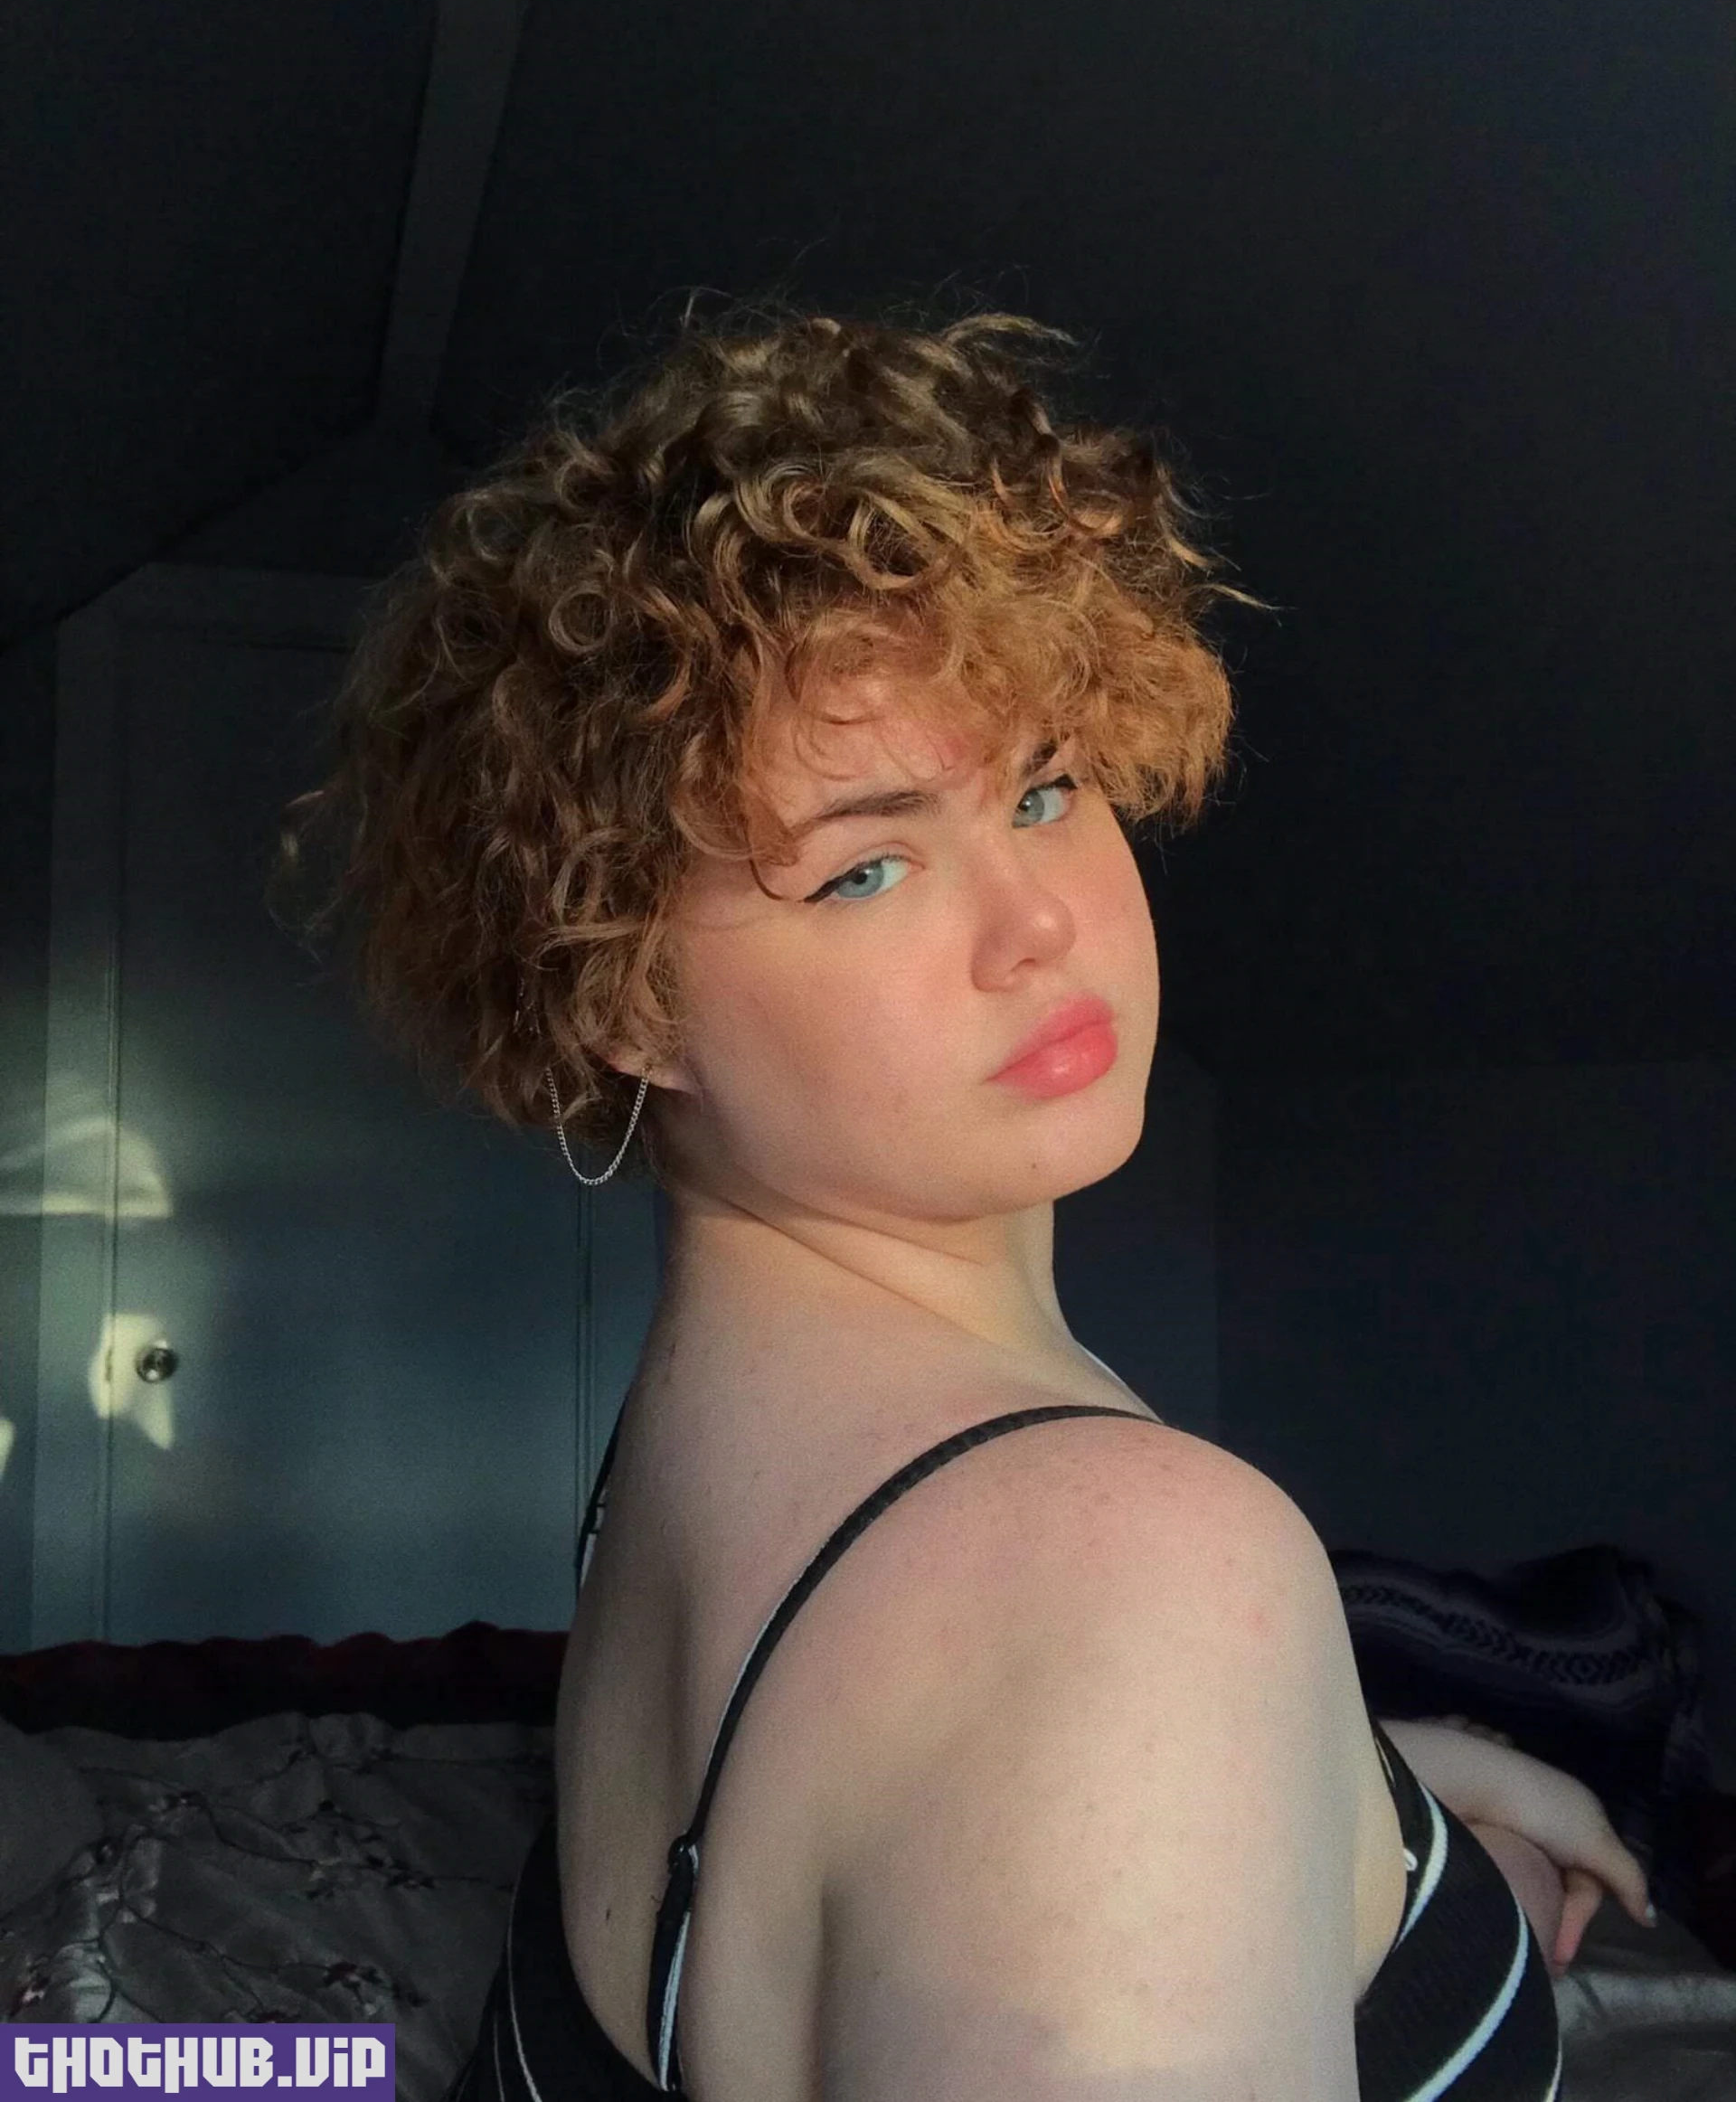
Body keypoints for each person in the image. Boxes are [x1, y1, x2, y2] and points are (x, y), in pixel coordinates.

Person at [283, 298, 1637, 2097]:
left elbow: (965, 1784)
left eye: (1048, 786)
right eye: (865, 868)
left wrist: (1371, 1789)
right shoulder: (1130, 1581)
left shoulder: (717, 1443)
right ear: (621, 995)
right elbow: (1068, 1694)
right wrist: (1190, 1705)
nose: (1040, 924)